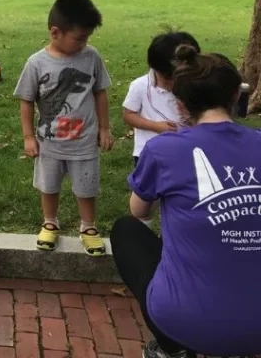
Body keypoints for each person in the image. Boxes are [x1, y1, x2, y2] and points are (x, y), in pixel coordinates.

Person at [111, 45, 261, 358]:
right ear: (236, 95)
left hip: (184, 324)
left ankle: (171, 349)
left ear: (180, 105)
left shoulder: (164, 150)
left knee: (126, 231)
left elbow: (138, 210)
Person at [14, 0, 113, 256]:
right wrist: (28, 137)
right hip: (50, 143)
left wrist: (104, 128)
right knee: (49, 185)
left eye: (87, 38)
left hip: (85, 142)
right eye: (79, 38)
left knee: (87, 186)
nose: (84, 44)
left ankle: (89, 227)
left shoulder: (91, 57)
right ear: (56, 32)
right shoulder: (36, 63)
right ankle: (50, 222)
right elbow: (26, 100)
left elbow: (100, 92)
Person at [123, 31, 201, 170]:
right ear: (154, 68)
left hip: (187, 150)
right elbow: (128, 115)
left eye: (179, 77)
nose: (173, 84)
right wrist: (155, 126)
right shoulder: (140, 86)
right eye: (168, 79)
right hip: (149, 153)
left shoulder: (193, 86)